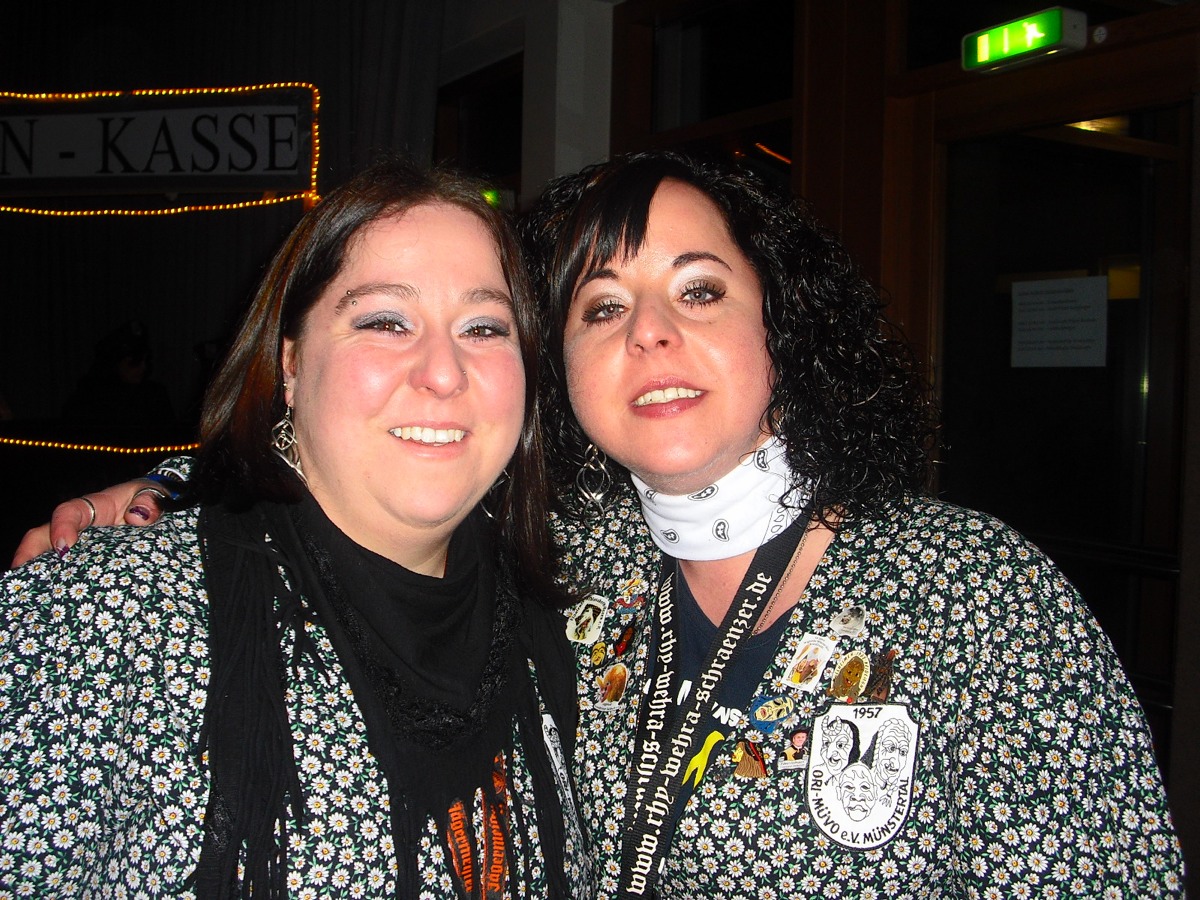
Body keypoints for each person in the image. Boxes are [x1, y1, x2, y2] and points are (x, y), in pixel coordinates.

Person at [15, 150, 1186, 897]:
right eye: (602, 306)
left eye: (700, 290)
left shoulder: (975, 592)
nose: (651, 334)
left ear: (784, 327)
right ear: (560, 368)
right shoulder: (575, 564)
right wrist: (172, 487)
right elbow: (382, 455)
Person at [0, 157, 588, 898]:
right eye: (385, 321)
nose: (444, 373)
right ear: (290, 362)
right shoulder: (105, 615)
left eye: (483, 327)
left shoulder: (566, 606)